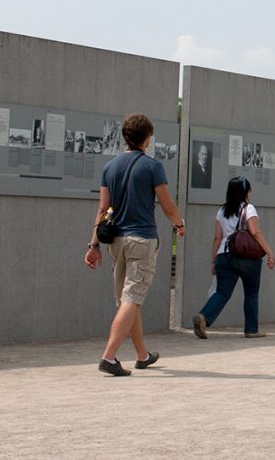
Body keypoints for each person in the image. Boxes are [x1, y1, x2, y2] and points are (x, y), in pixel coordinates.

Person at [85, 113, 187, 376]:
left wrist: (93, 245)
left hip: (116, 241)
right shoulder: (153, 166)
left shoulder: (110, 168)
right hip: (141, 240)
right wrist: (179, 224)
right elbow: (167, 204)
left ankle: (142, 355)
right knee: (132, 298)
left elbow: (102, 211)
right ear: (147, 138)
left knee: (127, 300)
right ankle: (108, 357)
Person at [192, 176, 275, 339]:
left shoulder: (222, 210)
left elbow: (217, 237)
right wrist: (269, 253)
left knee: (222, 292)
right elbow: (255, 232)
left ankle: (204, 316)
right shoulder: (248, 208)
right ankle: (251, 330)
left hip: (224, 256)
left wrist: (214, 260)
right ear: (246, 191)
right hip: (247, 258)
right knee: (251, 293)